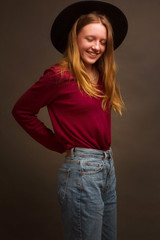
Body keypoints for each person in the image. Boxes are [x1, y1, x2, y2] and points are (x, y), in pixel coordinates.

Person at [12, 1, 128, 239]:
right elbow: (22, 111)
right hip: (83, 173)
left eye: (103, 41)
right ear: (75, 38)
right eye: (90, 39)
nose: (97, 47)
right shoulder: (59, 76)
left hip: (107, 167)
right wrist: (59, 144)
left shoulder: (101, 74)